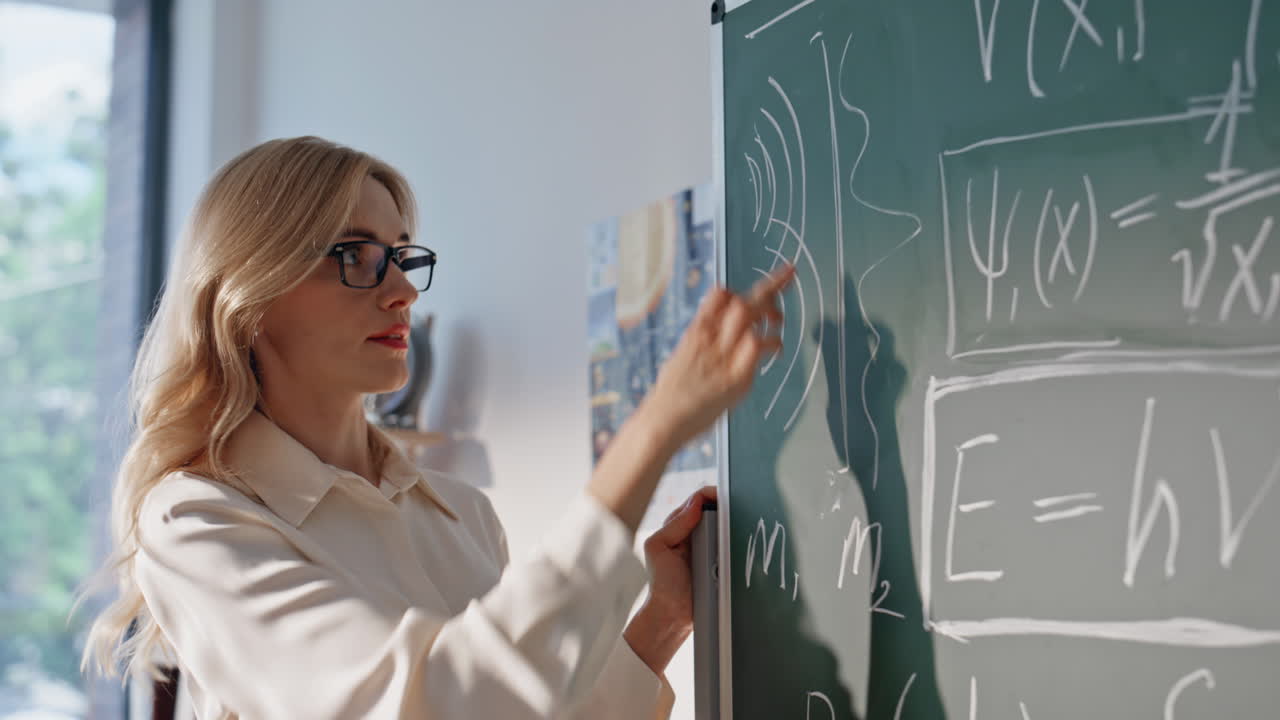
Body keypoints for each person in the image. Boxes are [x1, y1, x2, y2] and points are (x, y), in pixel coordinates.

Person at [73, 136, 794, 719]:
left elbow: (515, 707)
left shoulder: (463, 516)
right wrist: (654, 429)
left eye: (404, 254)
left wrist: (663, 620)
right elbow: (422, 705)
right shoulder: (197, 522)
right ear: (250, 295)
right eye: (356, 256)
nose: (402, 290)